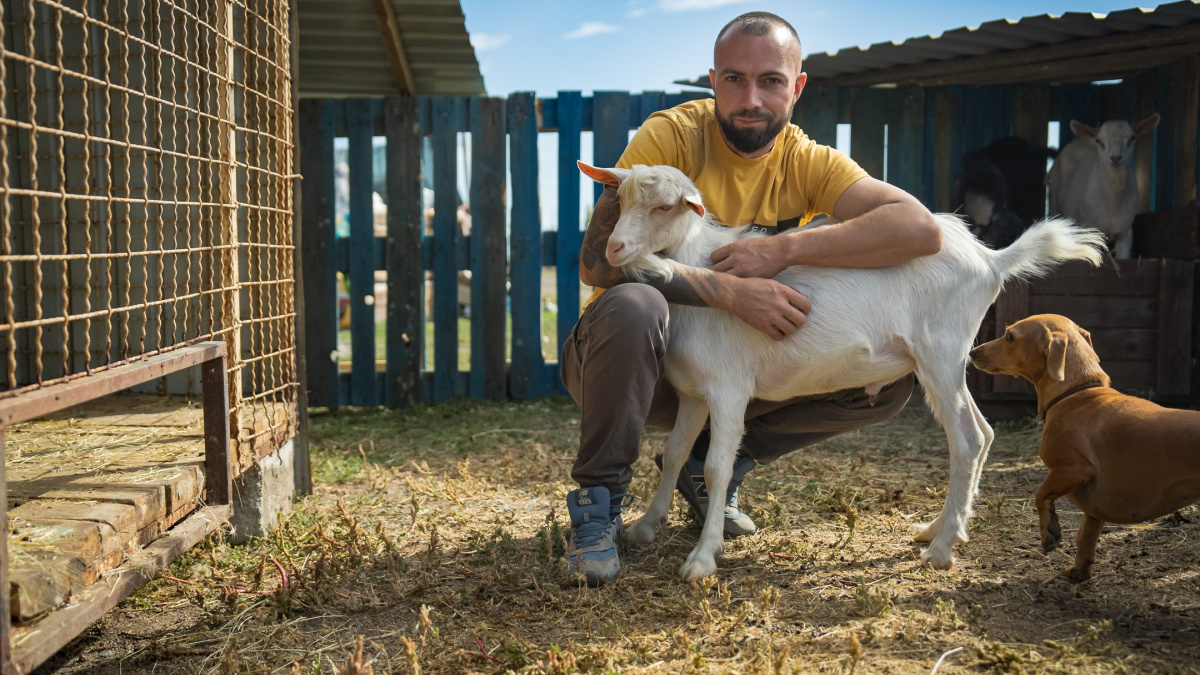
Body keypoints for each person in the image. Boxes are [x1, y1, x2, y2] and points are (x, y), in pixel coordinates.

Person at [559, 11, 942, 586]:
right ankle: (598, 505)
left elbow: (920, 231)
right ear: (713, 81)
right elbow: (598, 266)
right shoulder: (670, 137)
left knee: (886, 381)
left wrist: (784, 249)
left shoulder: (807, 161)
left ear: (798, 87)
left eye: (771, 81)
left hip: (731, 373)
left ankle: (710, 467)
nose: (751, 98)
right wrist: (730, 291)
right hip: (631, 367)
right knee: (634, 305)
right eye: (734, 79)